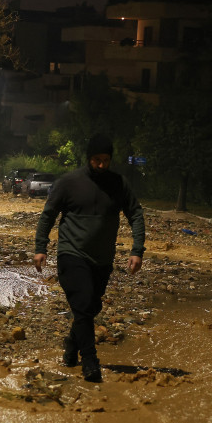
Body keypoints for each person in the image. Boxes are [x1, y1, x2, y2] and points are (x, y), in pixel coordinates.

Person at [34, 133, 145, 382]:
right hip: (71, 254)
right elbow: (48, 215)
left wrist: (137, 250)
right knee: (83, 304)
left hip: (102, 258)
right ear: (88, 158)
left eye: (106, 160)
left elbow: (135, 214)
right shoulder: (69, 183)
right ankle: (90, 361)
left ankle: (71, 347)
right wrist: (41, 247)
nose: (102, 165)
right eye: (97, 160)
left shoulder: (118, 184)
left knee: (91, 308)